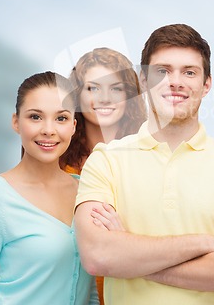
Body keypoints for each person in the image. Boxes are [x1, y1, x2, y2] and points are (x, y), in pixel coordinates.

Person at [75, 24, 214, 305]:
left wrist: (132, 257)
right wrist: (202, 244)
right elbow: (98, 256)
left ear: (206, 85)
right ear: (143, 81)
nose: (175, 81)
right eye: (162, 71)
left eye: (189, 72)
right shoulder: (106, 160)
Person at [0, 72, 99, 305]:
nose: (48, 129)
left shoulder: (86, 191)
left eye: (61, 118)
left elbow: (91, 291)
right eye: (35, 117)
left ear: (74, 126)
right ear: (16, 122)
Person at [60, 47, 146, 305]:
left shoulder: (149, 158)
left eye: (116, 88)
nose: (105, 98)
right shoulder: (59, 164)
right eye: (93, 88)